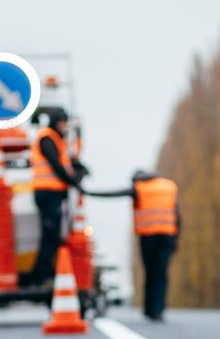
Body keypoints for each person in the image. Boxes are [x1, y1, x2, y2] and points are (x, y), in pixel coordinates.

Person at [85, 170, 180, 321]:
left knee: (150, 273)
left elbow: (113, 194)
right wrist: (176, 239)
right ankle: (159, 309)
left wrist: (88, 192)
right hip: (167, 236)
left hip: (148, 237)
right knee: (161, 273)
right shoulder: (168, 186)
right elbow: (177, 214)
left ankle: (150, 309)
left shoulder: (139, 187)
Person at [27, 108, 84, 288]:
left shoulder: (57, 140)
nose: (63, 126)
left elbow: (67, 161)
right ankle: (41, 275)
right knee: (49, 235)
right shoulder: (47, 138)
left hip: (53, 193)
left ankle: (45, 272)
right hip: (47, 192)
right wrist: (72, 180)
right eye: (61, 122)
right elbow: (56, 165)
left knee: (52, 235)